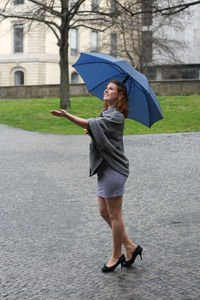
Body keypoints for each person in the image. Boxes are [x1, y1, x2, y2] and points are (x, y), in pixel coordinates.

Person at [50, 80, 142, 272]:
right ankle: (131, 246)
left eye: (111, 89)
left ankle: (117, 255)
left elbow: (91, 124)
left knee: (115, 215)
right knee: (103, 212)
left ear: (120, 95)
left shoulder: (116, 116)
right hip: (104, 168)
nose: (106, 90)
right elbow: (96, 126)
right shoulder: (107, 112)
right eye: (106, 87)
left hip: (114, 169)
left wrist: (67, 115)